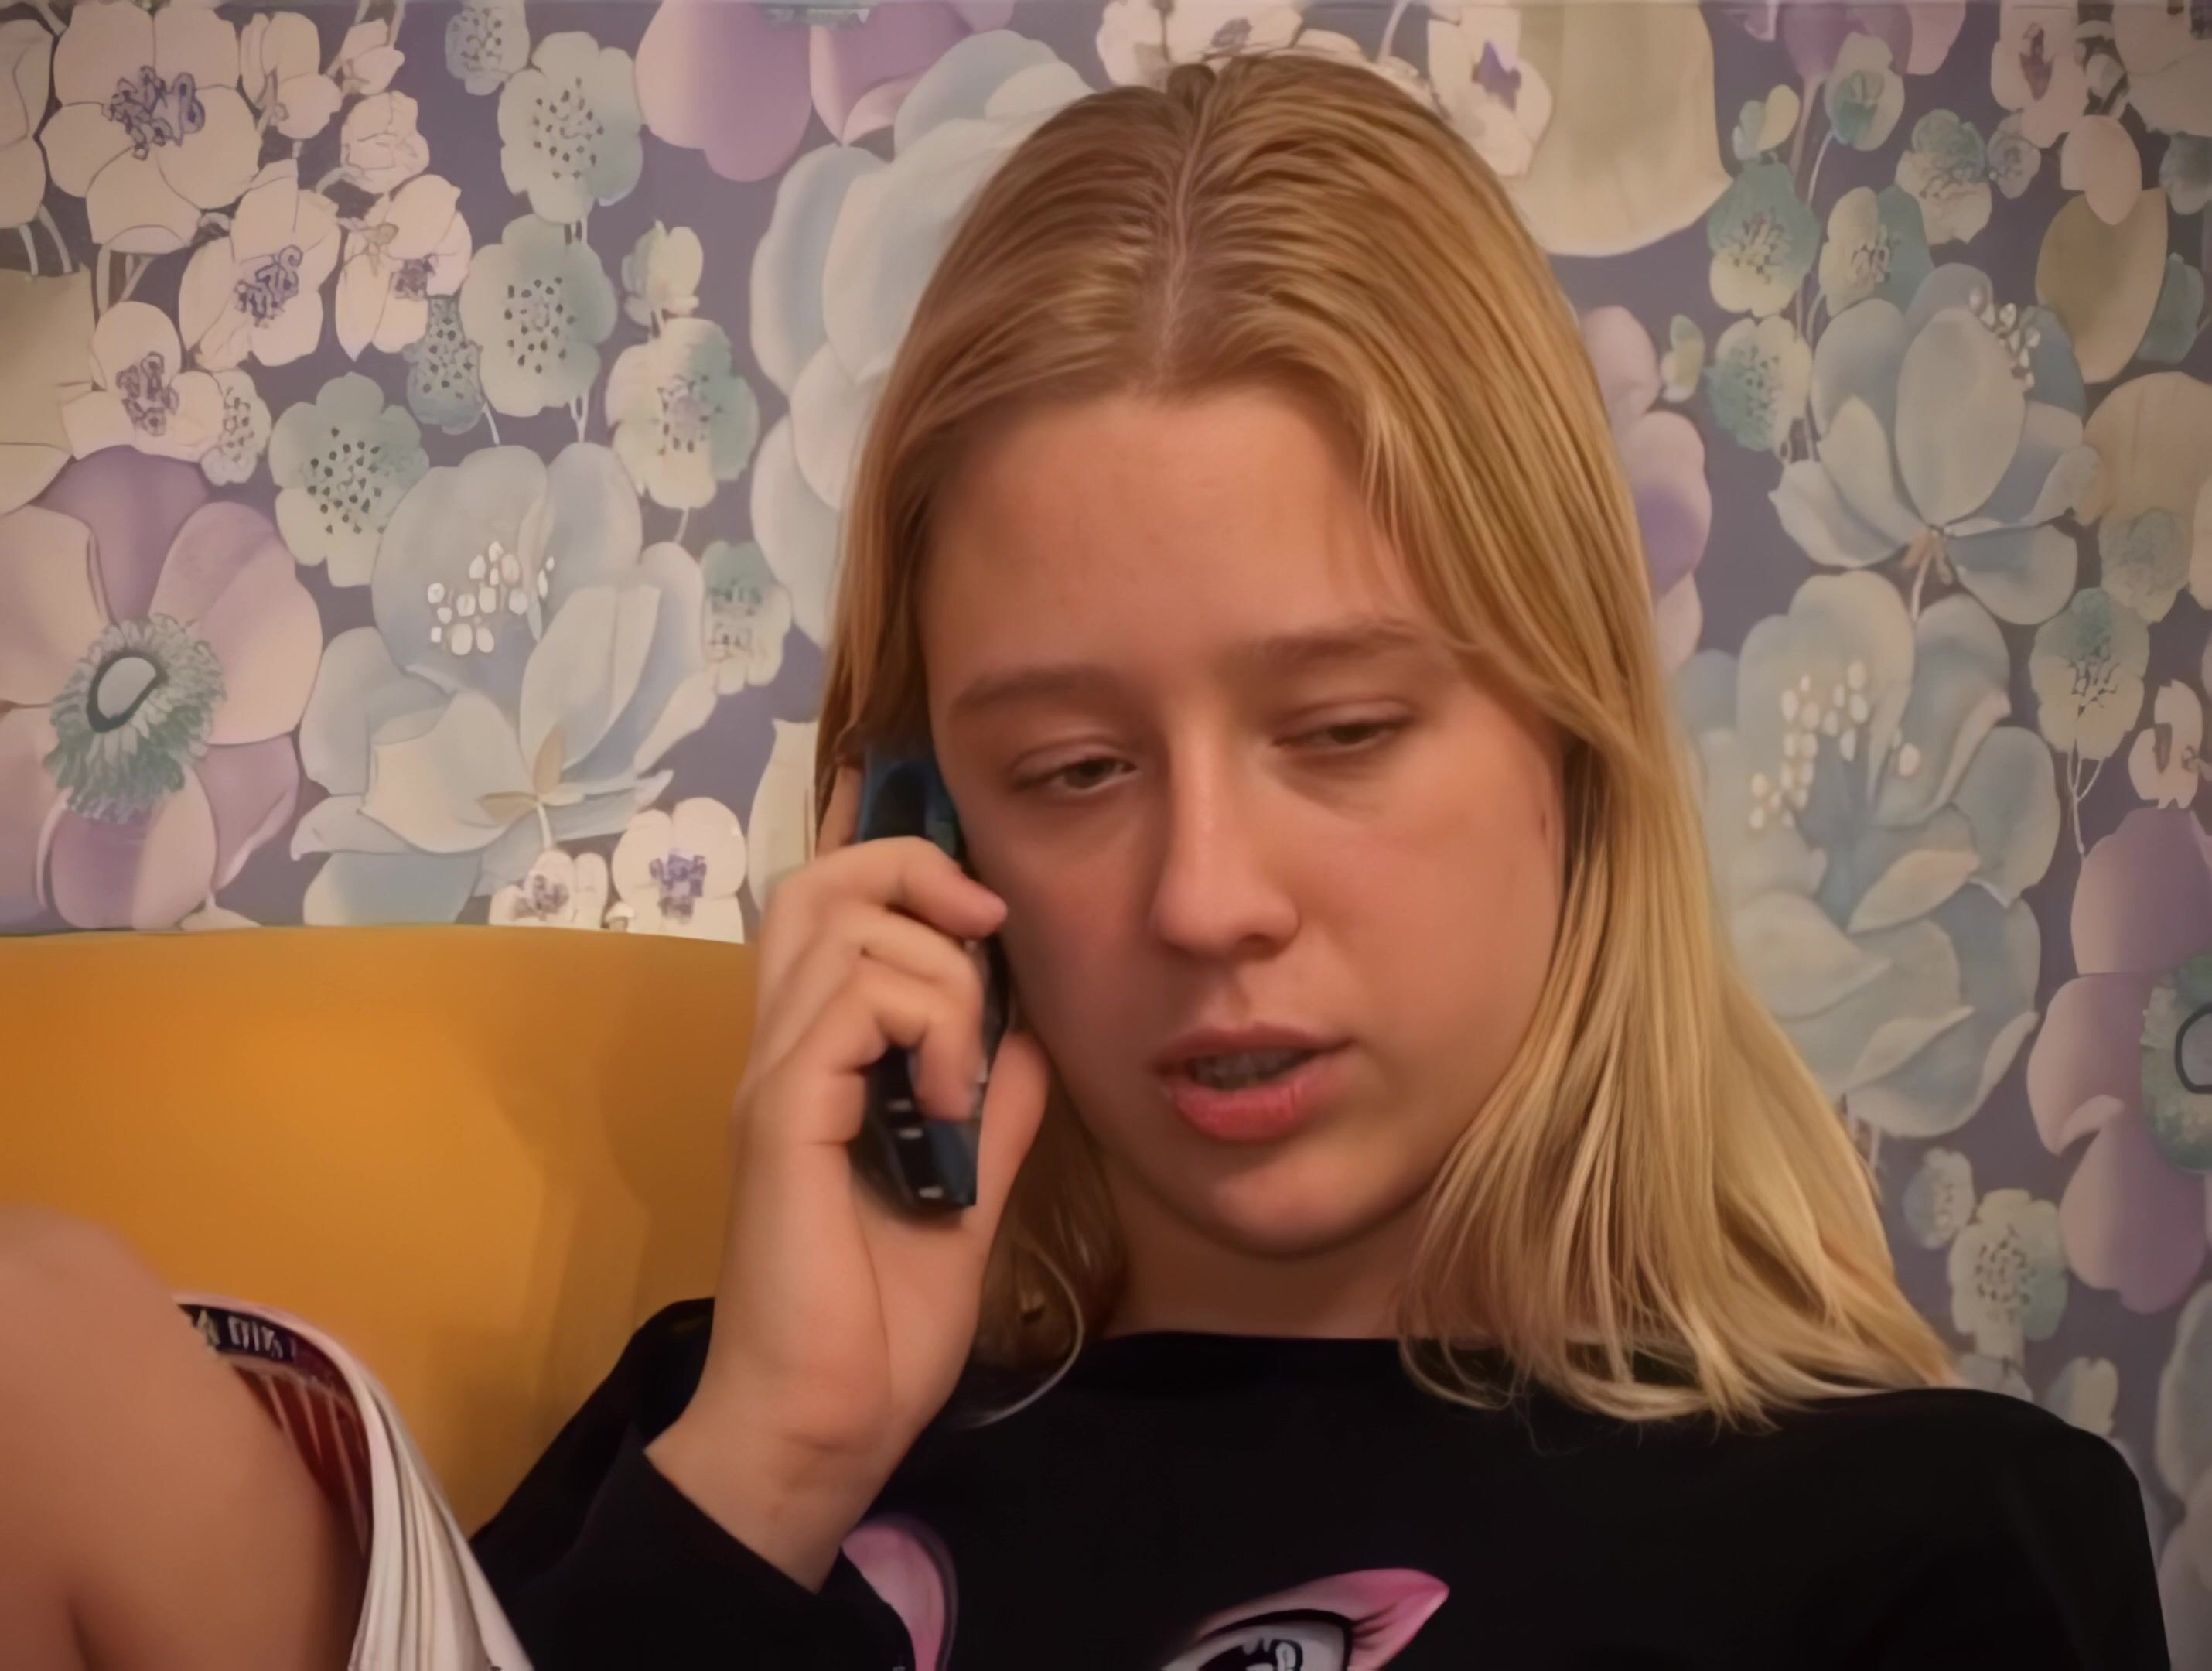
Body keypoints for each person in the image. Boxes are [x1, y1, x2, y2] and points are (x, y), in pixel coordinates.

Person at [0, 48, 2169, 1671]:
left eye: (1342, 732)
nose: (1207, 897)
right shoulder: (719, 1447)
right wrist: (775, 1458)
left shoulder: (1927, 1542)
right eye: (1069, 770)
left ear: (1573, 745)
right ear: (917, 833)